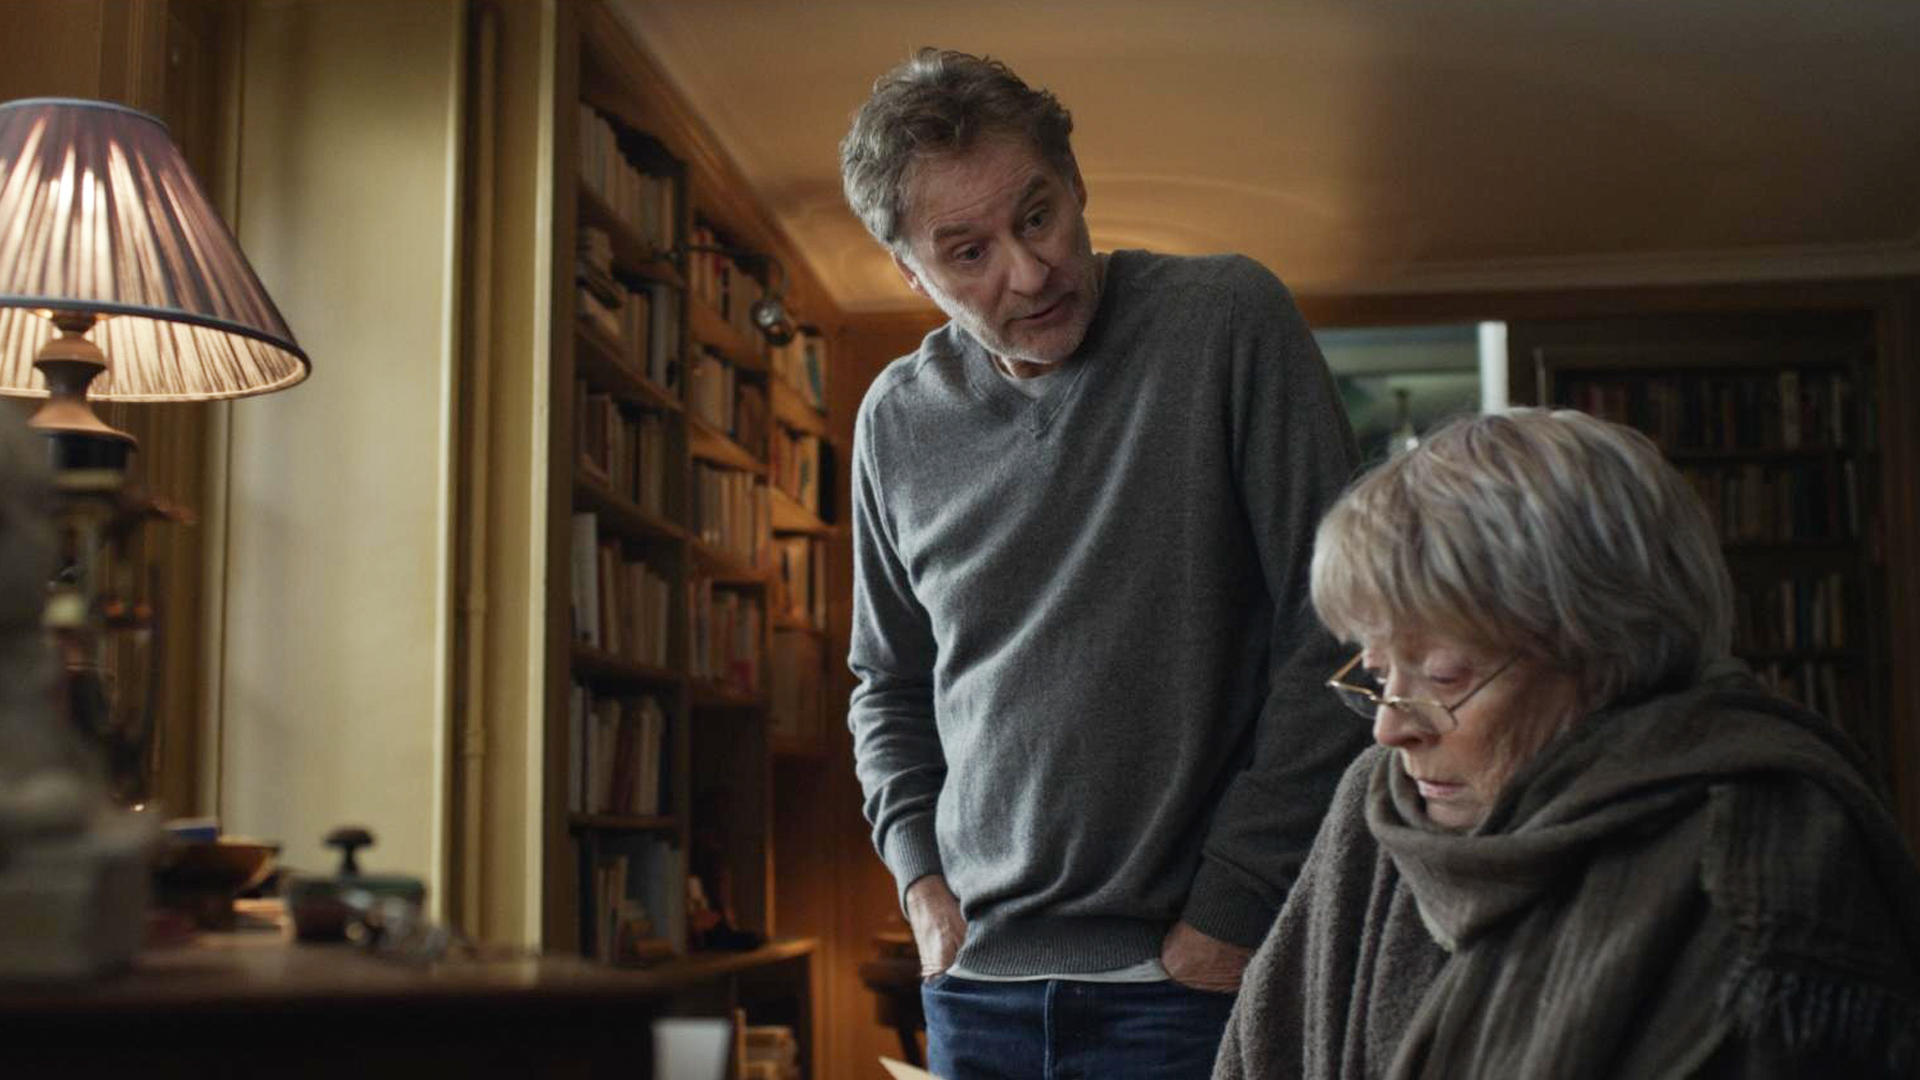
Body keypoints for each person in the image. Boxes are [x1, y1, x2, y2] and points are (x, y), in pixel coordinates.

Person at [840, 48, 1369, 1079]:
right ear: (911, 274)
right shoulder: (894, 421)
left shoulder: (1226, 322)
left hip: (1193, 984)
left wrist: (1234, 908)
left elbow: (1343, 632)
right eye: (969, 252)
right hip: (976, 990)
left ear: (1077, 184)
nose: (1029, 271)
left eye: (1037, 216)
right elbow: (887, 684)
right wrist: (922, 887)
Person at [1215, 407, 1920, 1080]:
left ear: (1607, 651)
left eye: (1443, 675)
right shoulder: (1378, 806)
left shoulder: (1765, 872)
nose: (1390, 728)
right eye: (1375, 673)